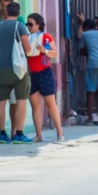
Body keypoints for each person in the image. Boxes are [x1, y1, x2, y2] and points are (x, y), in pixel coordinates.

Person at [0, 1, 35, 143]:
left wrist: (2, 52)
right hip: (19, 69)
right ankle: (19, 134)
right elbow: (27, 48)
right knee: (21, 100)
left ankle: (2, 133)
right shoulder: (20, 26)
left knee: (1, 101)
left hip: (2, 68)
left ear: (6, 12)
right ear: (19, 13)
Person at [25, 12, 64, 142]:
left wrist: (45, 51)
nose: (28, 26)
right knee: (35, 105)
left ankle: (60, 133)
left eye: (30, 24)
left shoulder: (46, 37)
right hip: (32, 73)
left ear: (38, 24)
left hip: (44, 72)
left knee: (51, 104)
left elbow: (54, 53)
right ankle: (38, 135)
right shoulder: (28, 38)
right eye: (27, 24)